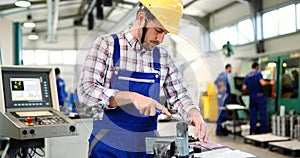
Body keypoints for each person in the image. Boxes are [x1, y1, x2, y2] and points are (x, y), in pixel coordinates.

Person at [77, 0, 208, 157]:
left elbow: (179, 94)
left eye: (165, 34)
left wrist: (194, 113)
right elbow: (86, 92)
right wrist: (131, 97)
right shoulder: (107, 45)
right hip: (108, 144)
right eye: (158, 30)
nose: (160, 39)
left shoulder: (163, 57)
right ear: (141, 17)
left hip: (147, 145)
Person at [242, 62, 274, 134]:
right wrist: (270, 83)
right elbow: (262, 83)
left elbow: (244, 88)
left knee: (253, 114)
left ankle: (253, 129)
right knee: (262, 113)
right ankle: (263, 130)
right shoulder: (258, 74)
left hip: (252, 96)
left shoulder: (247, 76)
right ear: (257, 67)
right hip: (260, 96)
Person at [214, 64, 232, 136]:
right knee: (221, 114)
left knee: (223, 114)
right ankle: (219, 130)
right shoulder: (223, 75)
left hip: (223, 96)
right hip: (222, 97)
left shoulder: (224, 75)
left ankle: (221, 129)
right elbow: (216, 82)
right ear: (228, 68)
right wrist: (221, 88)